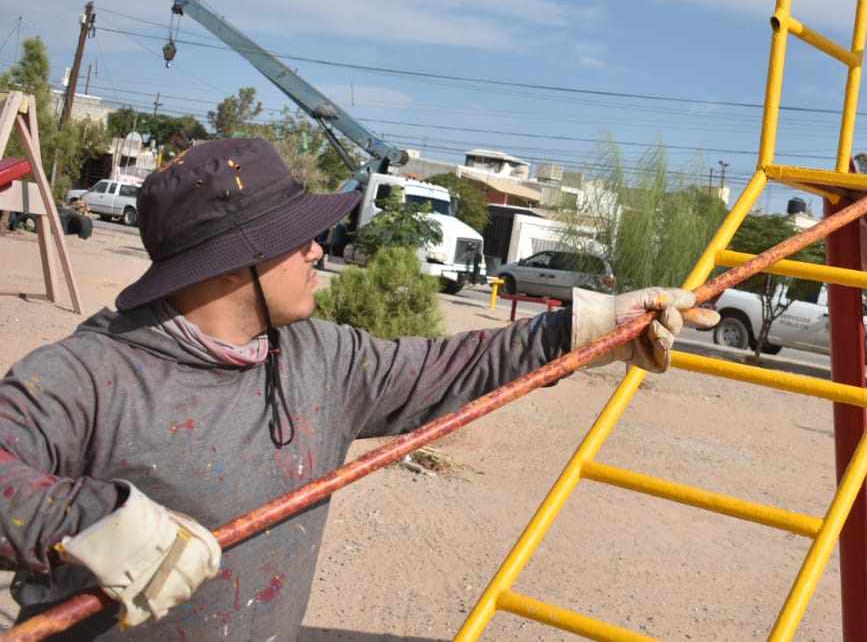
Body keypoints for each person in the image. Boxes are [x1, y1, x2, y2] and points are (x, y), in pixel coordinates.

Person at [0, 137, 711, 640]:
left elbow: (452, 367)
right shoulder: (88, 374)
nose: (317, 248)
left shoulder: (321, 358)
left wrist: (587, 329)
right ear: (225, 264)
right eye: (293, 235)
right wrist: (93, 519)